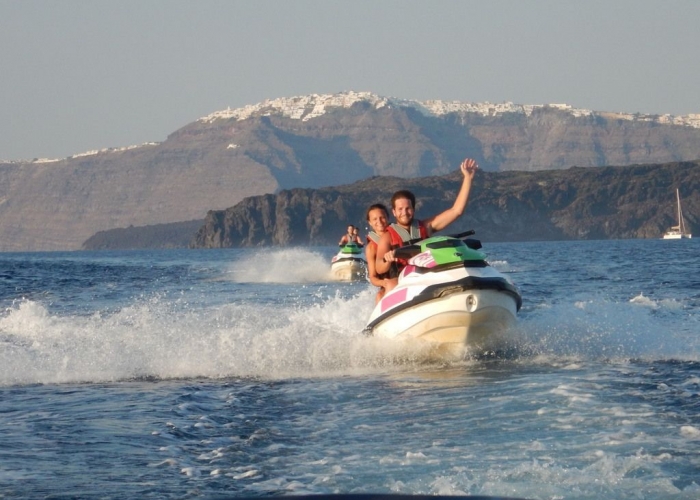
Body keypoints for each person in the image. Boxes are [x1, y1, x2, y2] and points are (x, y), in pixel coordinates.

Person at [375, 158, 479, 291]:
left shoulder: (426, 227)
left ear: (413, 209)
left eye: (408, 208)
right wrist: (388, 260)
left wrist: (467, 178)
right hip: (402, 280)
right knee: (390, 284)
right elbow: (378, 266)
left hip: (426, 276)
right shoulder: (387, 237)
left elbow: (456, 211)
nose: (404, 213)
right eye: (400, 209)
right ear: (394, 212)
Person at [364, 203, 391, 303]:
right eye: (375, 219)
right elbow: (373, 277)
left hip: (407, 275)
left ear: (388, 218)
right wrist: (383, 283)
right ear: (370, 222)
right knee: (380, 296)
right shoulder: (371, 248)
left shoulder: (398, 234)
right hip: (388, 282)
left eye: (382, 217)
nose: (379, 221)